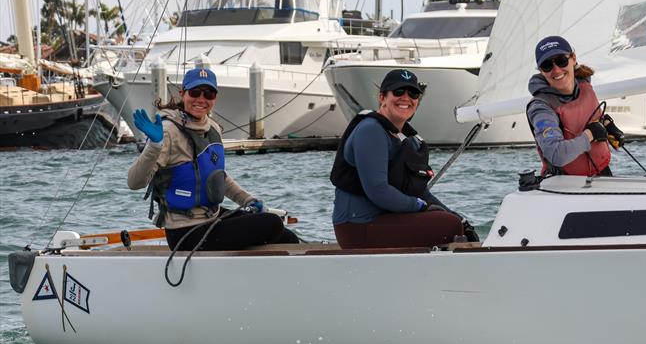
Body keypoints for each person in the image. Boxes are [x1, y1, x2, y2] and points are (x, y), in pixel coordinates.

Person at [127, 67, 298, 250]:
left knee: (288, 237)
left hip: (211, 218)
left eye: (208, 94)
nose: (201, 99)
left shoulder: (213, 128)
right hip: (185, 232)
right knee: (271, 224)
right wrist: (154, 145)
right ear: (183, 94)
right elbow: (134, 182)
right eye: (195, 92)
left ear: (215, 98)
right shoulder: (168, 131)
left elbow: (218, 177)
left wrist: (248, 200)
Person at [330, 69, 471, 249]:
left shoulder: (407, 138)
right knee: (448, 226)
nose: (406, 98)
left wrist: (461, 219)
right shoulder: (371, 130)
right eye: (398, 92)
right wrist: (421, 207)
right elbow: (378, 191)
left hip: (385, 219)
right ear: (382, 98)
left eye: (412, 93)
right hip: (358, 227)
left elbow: (419, 192)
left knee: (455, 223)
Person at [526, 35, 625, 177]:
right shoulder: (541, 108)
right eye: (547, 65)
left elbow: (587, 114)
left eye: (561, 61)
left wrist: (607, 124)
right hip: (565, 185)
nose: (556, 70)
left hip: (601, 175)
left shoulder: (584, 83)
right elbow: (556, 154)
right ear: (541, 71)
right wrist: (590, 134)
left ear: (573, 59)